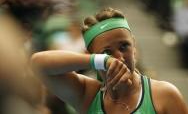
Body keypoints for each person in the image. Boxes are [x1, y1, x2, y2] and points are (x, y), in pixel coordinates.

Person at [31, 8, 188, 114]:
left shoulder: (164, 95)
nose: (119, 58)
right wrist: (100, 61)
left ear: (134, 47)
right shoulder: (87, 94)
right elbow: (38, 64)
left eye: (124, 46)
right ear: (92, 56)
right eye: (106, 52)